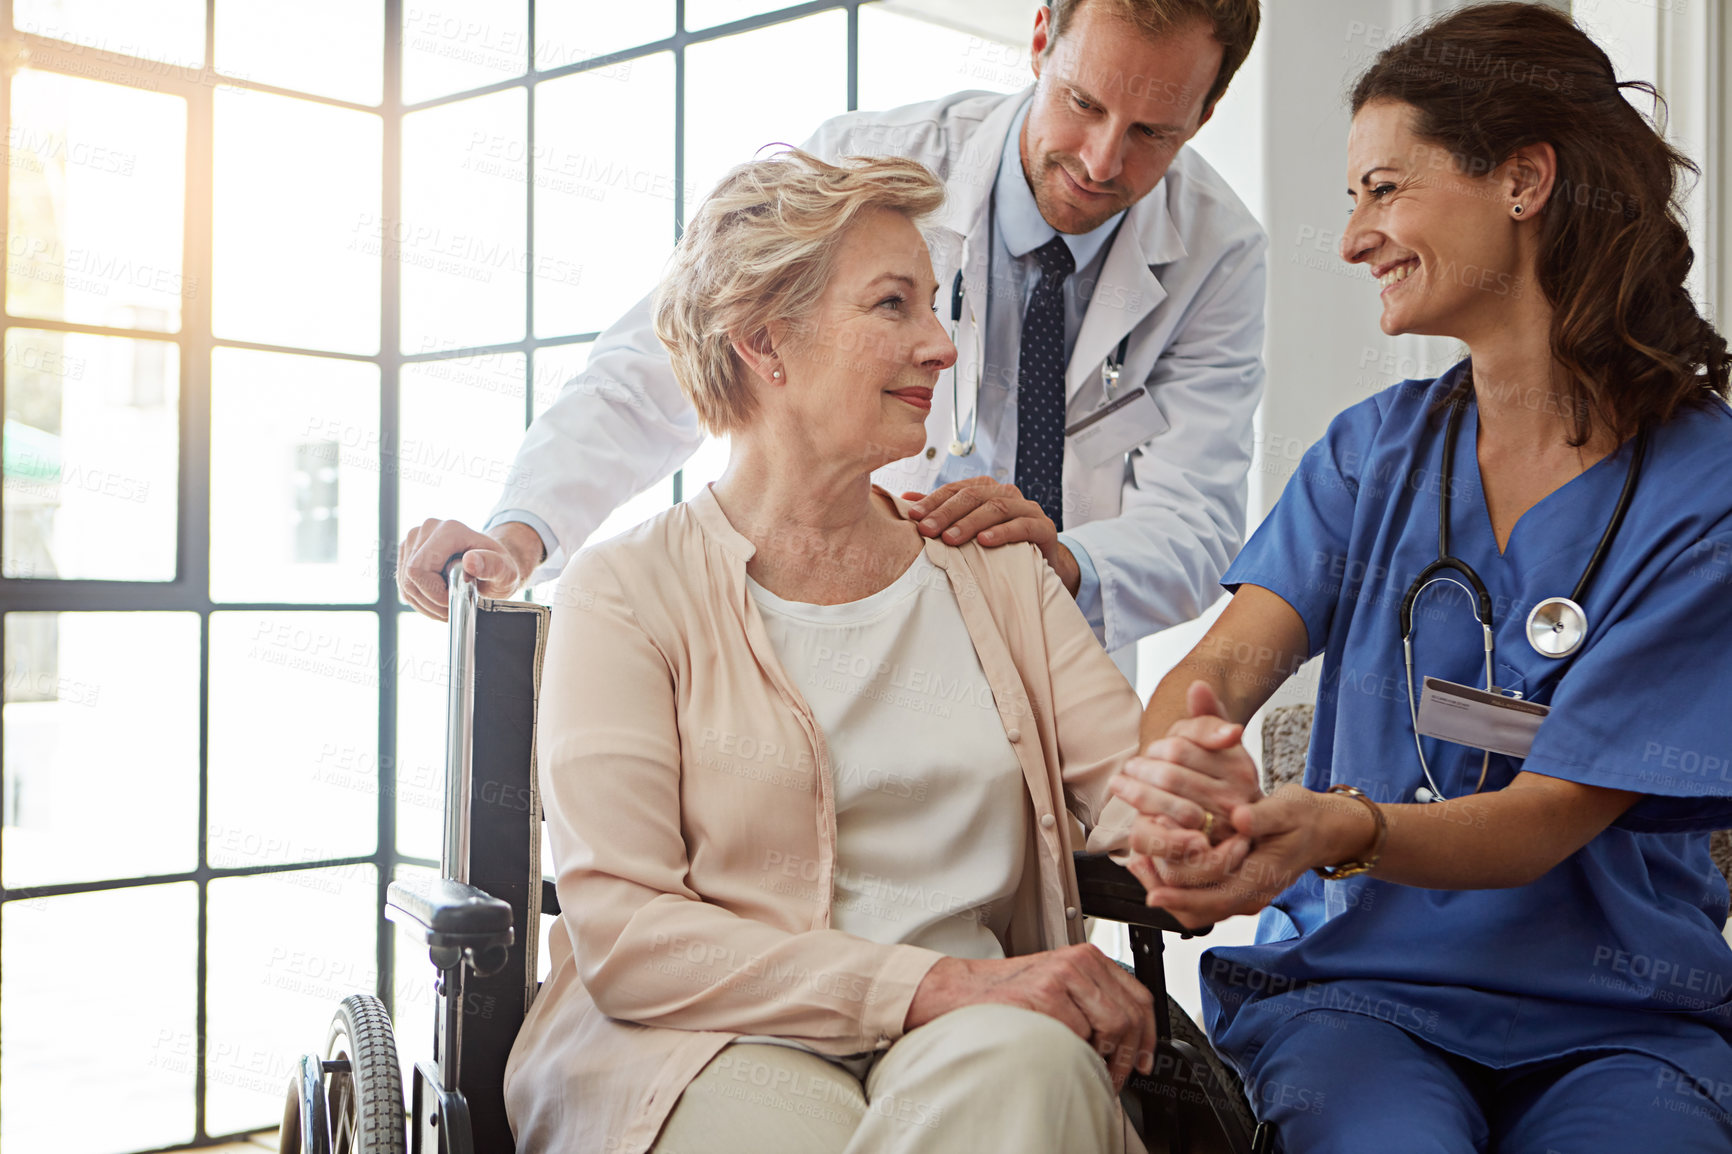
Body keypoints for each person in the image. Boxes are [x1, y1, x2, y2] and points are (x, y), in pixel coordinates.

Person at [1104, 5, 1732, 1150]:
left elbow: (1545, 820)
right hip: (1364, 997)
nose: (1352, 239)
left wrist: (1338, 827)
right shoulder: (1369, 455)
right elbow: (1218, 668)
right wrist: (1183, 773)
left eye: (1382, 190)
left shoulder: (1706, 495)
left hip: (1622, 1019)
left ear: (1523, 182)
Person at [503, 150, 1156, 1154]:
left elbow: (1140, 793)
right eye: (892, 305)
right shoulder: (626, 589)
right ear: (766, 340)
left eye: (934, 305)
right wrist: (933, 982)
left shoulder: (993, 565)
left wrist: (1203, 807)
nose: (941, 345)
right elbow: (630, 938)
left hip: (970, 1027)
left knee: (1031, 1070)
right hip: (692, 1037)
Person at [398, 0, 1267, 676]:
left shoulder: (1219, 252)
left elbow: (1193, 524)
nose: (1103, 161)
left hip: (1045, 647)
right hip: (827, 616)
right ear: (1041, 38)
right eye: (1083, 103)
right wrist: (520, 537)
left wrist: (1060, 565)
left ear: (1209, 107)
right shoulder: (869, 167)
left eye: (1156, 132)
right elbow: (659, 370)